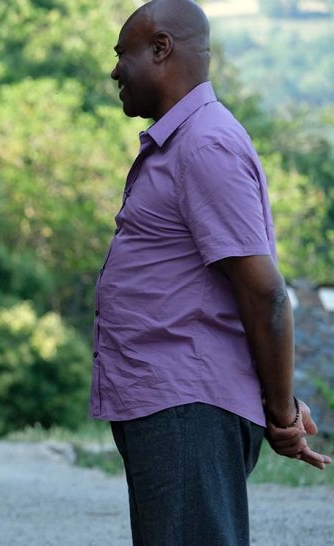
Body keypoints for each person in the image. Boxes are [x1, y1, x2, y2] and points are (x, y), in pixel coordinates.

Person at [93, 1, 331, 544]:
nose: (114, 71)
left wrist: (282, 413)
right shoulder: (184, 143)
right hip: (172, 406)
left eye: (122, 54)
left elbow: (265, 292)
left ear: (161, 48)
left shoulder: (205, 145)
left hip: (188, 409)